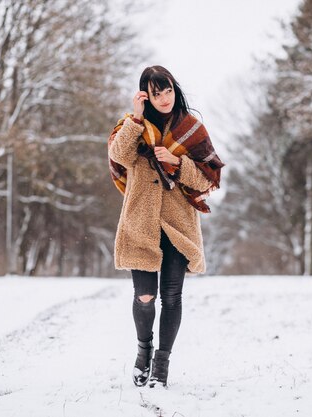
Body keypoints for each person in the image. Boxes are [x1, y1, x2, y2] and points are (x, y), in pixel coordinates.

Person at [107, 65, 225, 388]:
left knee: (171, 296)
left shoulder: (190, 128)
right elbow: (119, 157)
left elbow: (209, 178)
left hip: (177, 223)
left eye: (168, 90)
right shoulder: (131, 126)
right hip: (140, 221)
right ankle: (143, 351)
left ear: (175, 89)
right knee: (144, 296)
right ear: (146, 95)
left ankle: (162, 363)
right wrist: (135, 118)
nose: (164, 98)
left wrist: (178, 163)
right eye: (156, 92)